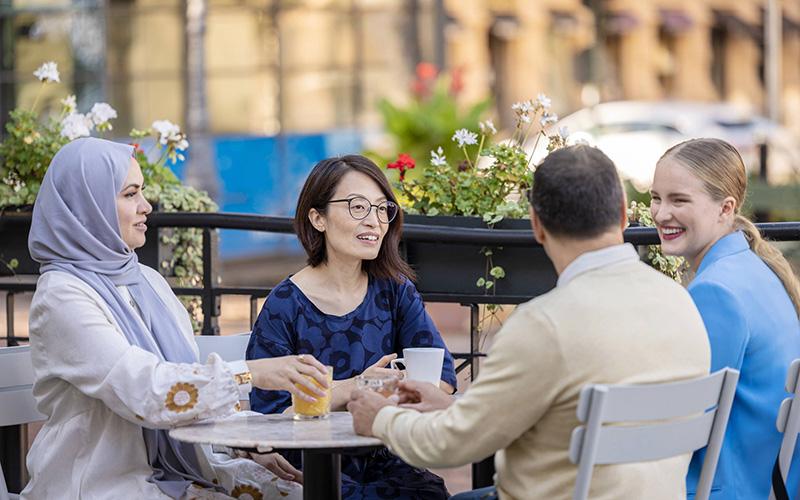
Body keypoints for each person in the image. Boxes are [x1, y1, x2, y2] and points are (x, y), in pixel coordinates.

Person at [347, 145, 711, 499]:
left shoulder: (542, 325)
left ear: (536, 225)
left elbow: (450, 446)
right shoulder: (680, 301)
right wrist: (456, 409)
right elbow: (561, 420)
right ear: (622, 214)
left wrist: (379, 418)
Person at [22, 137, 332, 499]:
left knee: (294, 493)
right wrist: (253, 372)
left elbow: (184, 380)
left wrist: (245, 446)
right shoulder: (61, 295)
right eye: (130, 194)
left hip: (173, 472)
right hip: (99, 484)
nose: (146, 206)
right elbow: (146, 390)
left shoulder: (146, 281)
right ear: (86, 207)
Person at [246, 154, 457, 499]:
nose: (374, 221)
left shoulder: (395, 290)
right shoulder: (285, 304)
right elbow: (265, 421)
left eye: (381, 208)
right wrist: (349, 390)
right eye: (358, 207)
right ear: (318, 218)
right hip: (310, 467)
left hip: (386, 455)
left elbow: (443, 377)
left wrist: (396, 389)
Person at [650, 137, 800, 499]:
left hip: (723, 489)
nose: (660, 213)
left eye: (679, 200)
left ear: (725, 208)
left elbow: (684, 423)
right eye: (656, 197)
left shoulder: (716, 292)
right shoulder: (757, 269)